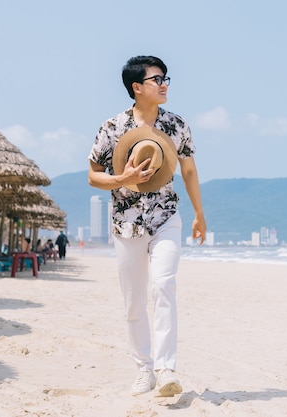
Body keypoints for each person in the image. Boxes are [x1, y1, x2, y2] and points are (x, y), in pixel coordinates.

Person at [87, 55, 206, 397]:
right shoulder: (112, 127)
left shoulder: (176, 124)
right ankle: (144, 369)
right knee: (134, 301)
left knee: (164, 285)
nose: (165, 83)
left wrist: (199, 214)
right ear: (137, 87)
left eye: (166, 78)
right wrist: (121, 178)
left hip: (166, 216)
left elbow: (189, 171)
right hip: (126, 223)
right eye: (157, 79)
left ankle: (166, 369)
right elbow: (94, 176)